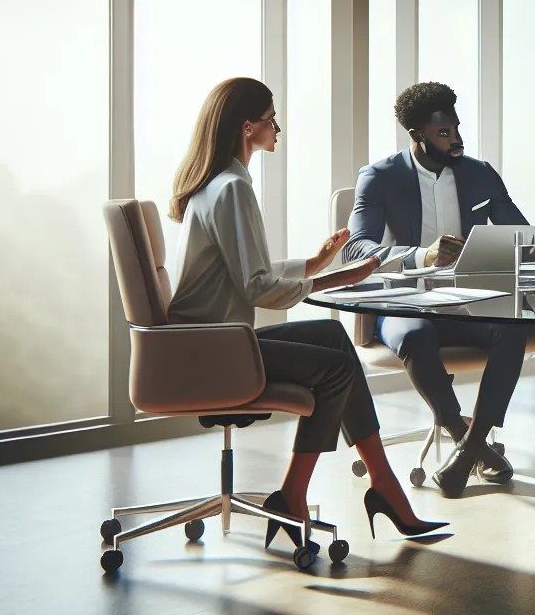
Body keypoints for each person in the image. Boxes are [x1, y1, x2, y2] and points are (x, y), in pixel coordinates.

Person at [166, 77, 445, 547]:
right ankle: (294, 494)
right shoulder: (233, 187)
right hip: (215, 352)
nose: (279, 128)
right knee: (336, 369)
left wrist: (313, 264)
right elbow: (257, 288)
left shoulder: (215, 185)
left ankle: (383, 484)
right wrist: (338, 278)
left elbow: (241, 271)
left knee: (334, 341)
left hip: (204, 343)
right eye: (272, 119)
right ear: (248, 126)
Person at [342, 82, 533, 499]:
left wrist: (508, 258)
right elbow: (355, 249)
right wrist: (421, 256)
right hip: (405, 303)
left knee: (514, 327)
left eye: (457, 129)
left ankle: (466, 453)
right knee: (415, 336)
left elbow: (522, 237)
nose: (456, 140)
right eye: (444, 133)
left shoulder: (479, 173)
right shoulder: (379, 176)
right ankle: (470, 440)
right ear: (417, 135)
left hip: (464, 303)